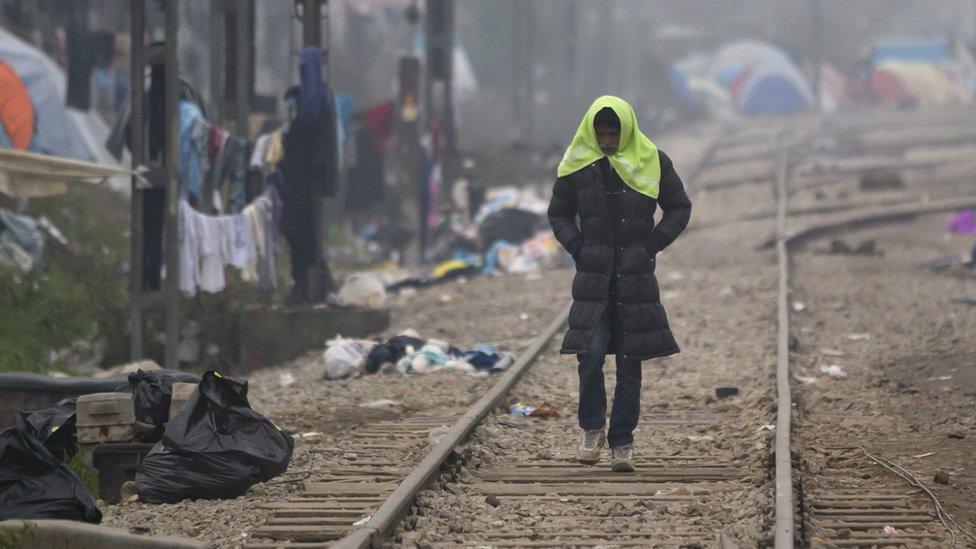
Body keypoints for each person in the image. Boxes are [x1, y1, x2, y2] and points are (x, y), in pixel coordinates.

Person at [547, 95, 692, 472]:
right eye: (602, 134)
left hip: (635, 279)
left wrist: (651, 244)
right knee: (590, 357)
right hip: (593, 278)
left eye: (614, 134)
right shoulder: (578, 163)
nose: (608, 141)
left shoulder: (653, 160)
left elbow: (679, 207)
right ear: (591, 132)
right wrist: (577, 246)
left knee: (630, 364)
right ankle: (592, 428)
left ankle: (623, 441)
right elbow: (558, 212)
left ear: (626, 130)